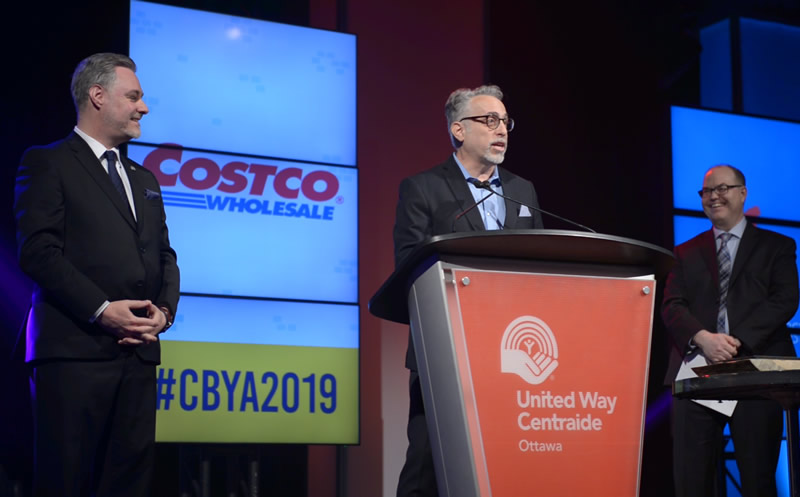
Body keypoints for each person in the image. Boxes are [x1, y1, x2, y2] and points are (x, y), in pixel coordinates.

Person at [14, 53, 180, 497]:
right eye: (134, 96)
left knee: (128, 483)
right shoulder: (47, 162)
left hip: (139, 356)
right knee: (65, 481)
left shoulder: (145, 178)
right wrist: (102, 310)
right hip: (73, 354)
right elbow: (37, 252)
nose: (143, 108)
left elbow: (165, 255)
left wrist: (163, 311)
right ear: (98, 95)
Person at [393, 84, 543, 497]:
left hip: (512, 350)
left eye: (505, 122)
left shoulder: (521, 189)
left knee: (501, 460)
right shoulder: (423, 188)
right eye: (489, 120)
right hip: (447, 348)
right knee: (427, 465)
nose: (502, 130)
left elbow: (538, 262)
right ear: (459, 130)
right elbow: (408, 266)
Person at [662, 164, 798, 497]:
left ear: (742, 193)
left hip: (758, 372)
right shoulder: (685, 252)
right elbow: (672, 306)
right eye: (707, 191)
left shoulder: (777, 246)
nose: (714, 196)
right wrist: (705, 339)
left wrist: (735, 340)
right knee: (691, 481)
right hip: (699, 373)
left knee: (758, 479)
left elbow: (785, 299)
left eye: (722, 188)